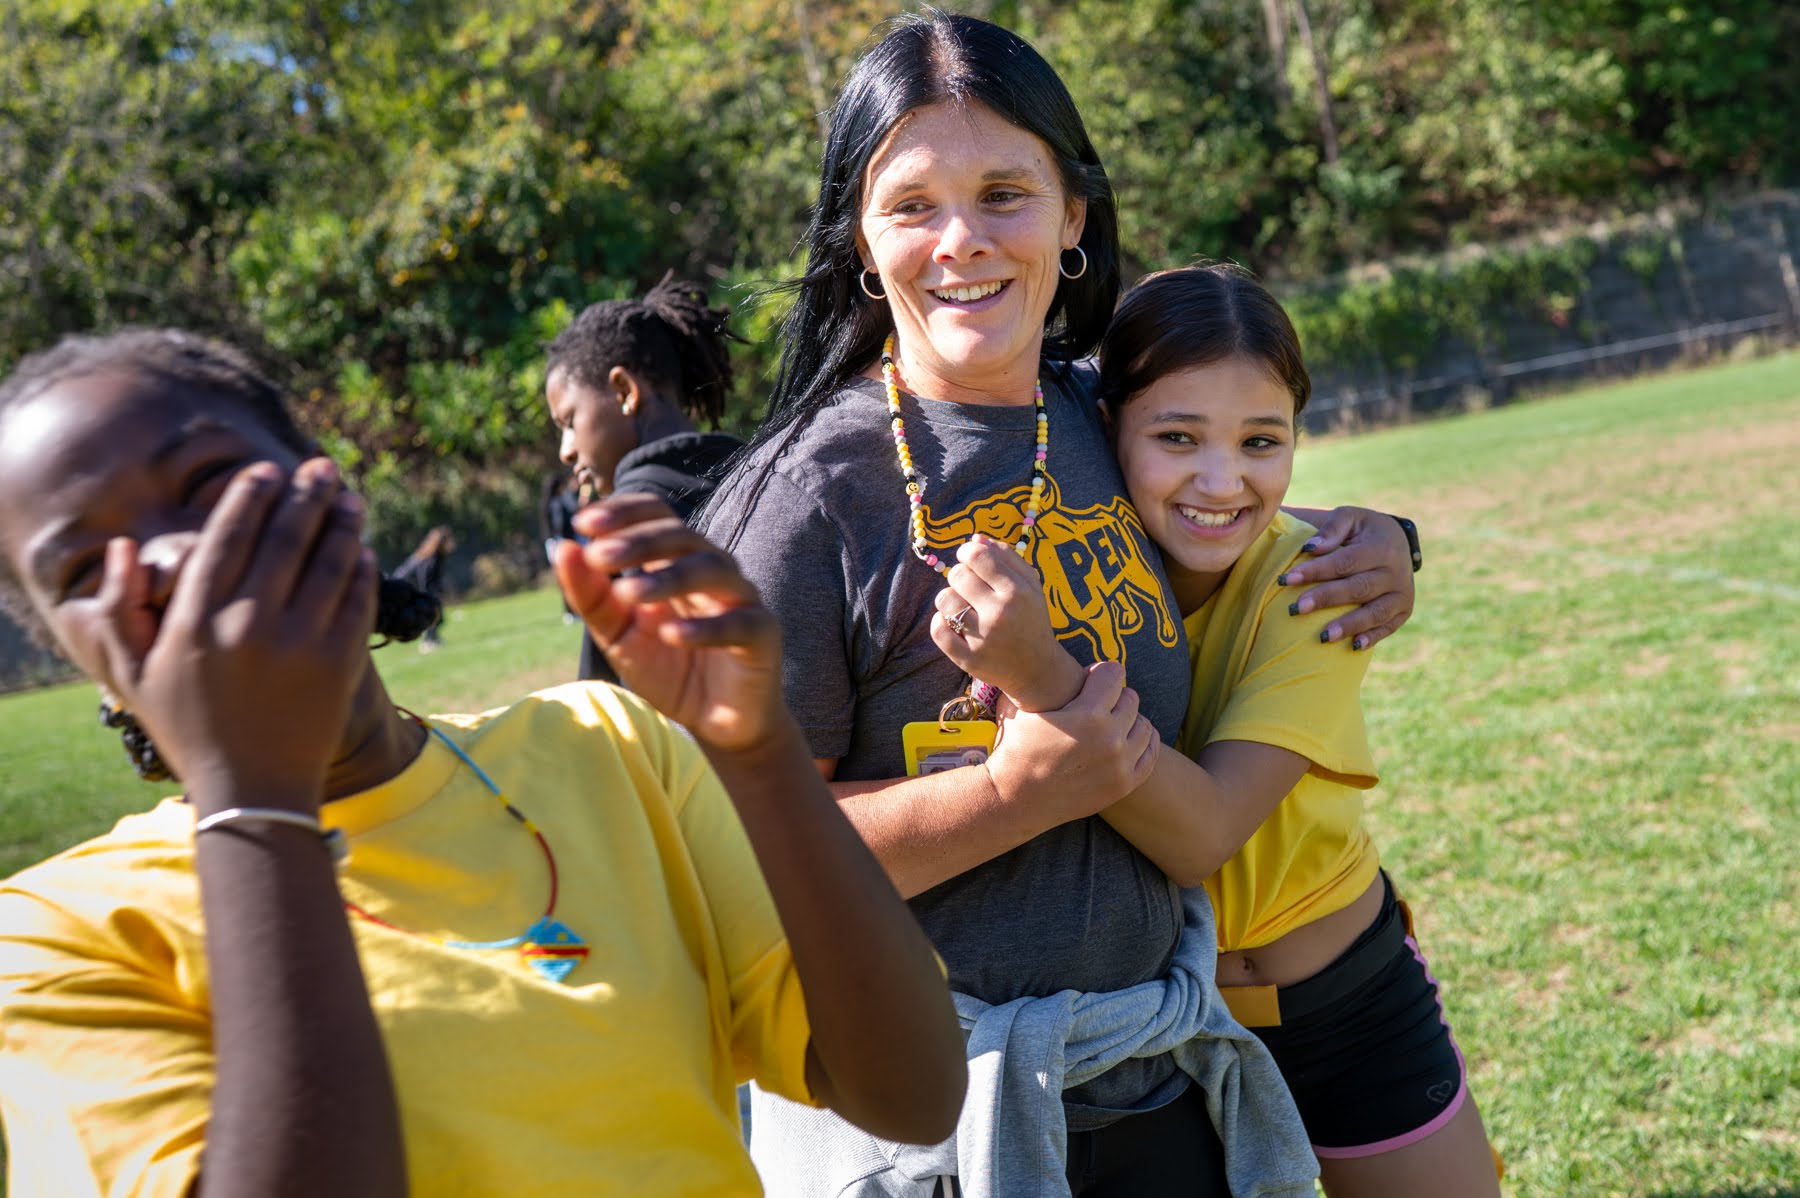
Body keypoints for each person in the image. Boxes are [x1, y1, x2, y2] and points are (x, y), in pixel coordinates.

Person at [700, 12, 1418, 1197]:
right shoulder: (800, 504)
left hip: (1162, 1083)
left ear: (1073, 216)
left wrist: (1395, 542)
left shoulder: (1102, 417)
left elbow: (1232, 496)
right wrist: (1002, 798)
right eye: (912, 205)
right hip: (928, 1133)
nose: (962, 241)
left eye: (1004, 193)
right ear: (862, 245)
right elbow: (732, 856)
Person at [0, 329, 966, 1198]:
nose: (174, 560)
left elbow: (913, 1095)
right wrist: (254, 796)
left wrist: (759, 757)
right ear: (71, 654)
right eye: (88, 570)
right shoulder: (51, 940)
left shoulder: (606, 748)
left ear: (332, 492)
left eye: (210, 486)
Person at [929, 265, 1501, 1198]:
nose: (1222, 478)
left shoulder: (1319, 585)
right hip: (1156, 1040)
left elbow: (1204, 834)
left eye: (1262, 440)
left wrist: (1045, 676)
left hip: (1348, 1003)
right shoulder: (1061, 578)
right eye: (1177, 436)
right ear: (1104, 425)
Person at [545, 273, 748, 682]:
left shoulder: (627, 529)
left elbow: (613, 713)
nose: (565, 450)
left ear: (624, 392)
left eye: (569, 420)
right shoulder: (759, 472)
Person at [391, 523, 454, 650]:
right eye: (450, 540)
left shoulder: (437, 556)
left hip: (406, 586)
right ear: (442, 542)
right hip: (401, 586)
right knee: (431, 612)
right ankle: (427, 642)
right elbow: (423, 580)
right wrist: (429, 598)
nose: (452, 543)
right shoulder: (431, 558)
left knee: (438, 615)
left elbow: (432, 581)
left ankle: (433, 638)